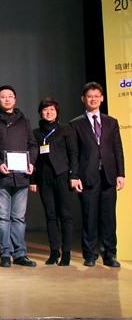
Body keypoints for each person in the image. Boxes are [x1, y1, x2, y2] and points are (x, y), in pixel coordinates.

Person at [0, 85, 38, 268]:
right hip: (1, 176)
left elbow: (33, 145)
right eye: (3, 96)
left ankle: (20, 254)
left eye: (10, 96)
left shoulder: (24, 121)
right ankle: (5, 253)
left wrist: (31, 162)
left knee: (19, 217)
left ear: (15, 99)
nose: (7, 99)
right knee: (3, 217)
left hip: (21, 176)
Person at [69, 82, 125, 267]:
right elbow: (74, 153)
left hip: (108, 176)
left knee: (109, 218)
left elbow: (117, 149)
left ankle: (109, 254)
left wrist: (120, 174)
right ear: (83, 99)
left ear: (102, 98)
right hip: (87, 176)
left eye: (96, 96)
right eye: (89, 96)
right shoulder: (76, 124)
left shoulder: (111, 122)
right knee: (89, 217)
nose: (93, 99)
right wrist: (74, 175)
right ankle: (90, 255)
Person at [29, 97, 79, 266]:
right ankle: (53, 252)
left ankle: (66, 253)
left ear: (57, 112)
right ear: (40, 113)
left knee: (65, 215)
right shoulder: (36, 132)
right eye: (45, 109)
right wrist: (33, 179)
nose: (49, 112)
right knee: (50, 216)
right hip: (44, 178)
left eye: (52, 109)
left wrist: (74, 175)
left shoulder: (65, 129)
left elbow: (73, 153)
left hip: (62, 176)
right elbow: (33, 157)